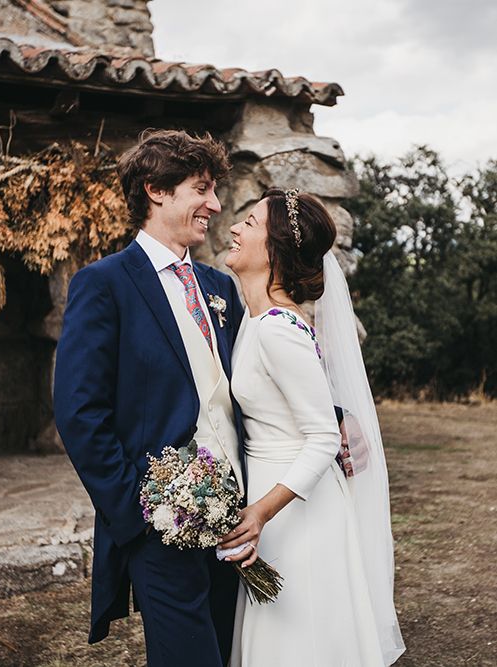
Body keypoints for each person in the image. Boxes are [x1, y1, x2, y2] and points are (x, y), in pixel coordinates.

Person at [53, 129, 245, 667]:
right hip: (159, 523)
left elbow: (257, 378)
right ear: (157, 189)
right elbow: (79, 411)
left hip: (237, 516)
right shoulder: (104, 284)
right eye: (201, 189)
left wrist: (335, 418)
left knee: (232, 653)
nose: (215, 204)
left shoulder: (219, 287)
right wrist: (138, 512)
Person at [219, 188, 406, 665]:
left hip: (294, 512)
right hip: (278, 501)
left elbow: (323, 436)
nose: (235, 228)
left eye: (251, 223)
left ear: (275, 252)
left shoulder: (279, 329)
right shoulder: (256, 321)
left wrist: (259, 511)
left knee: (300, 642)